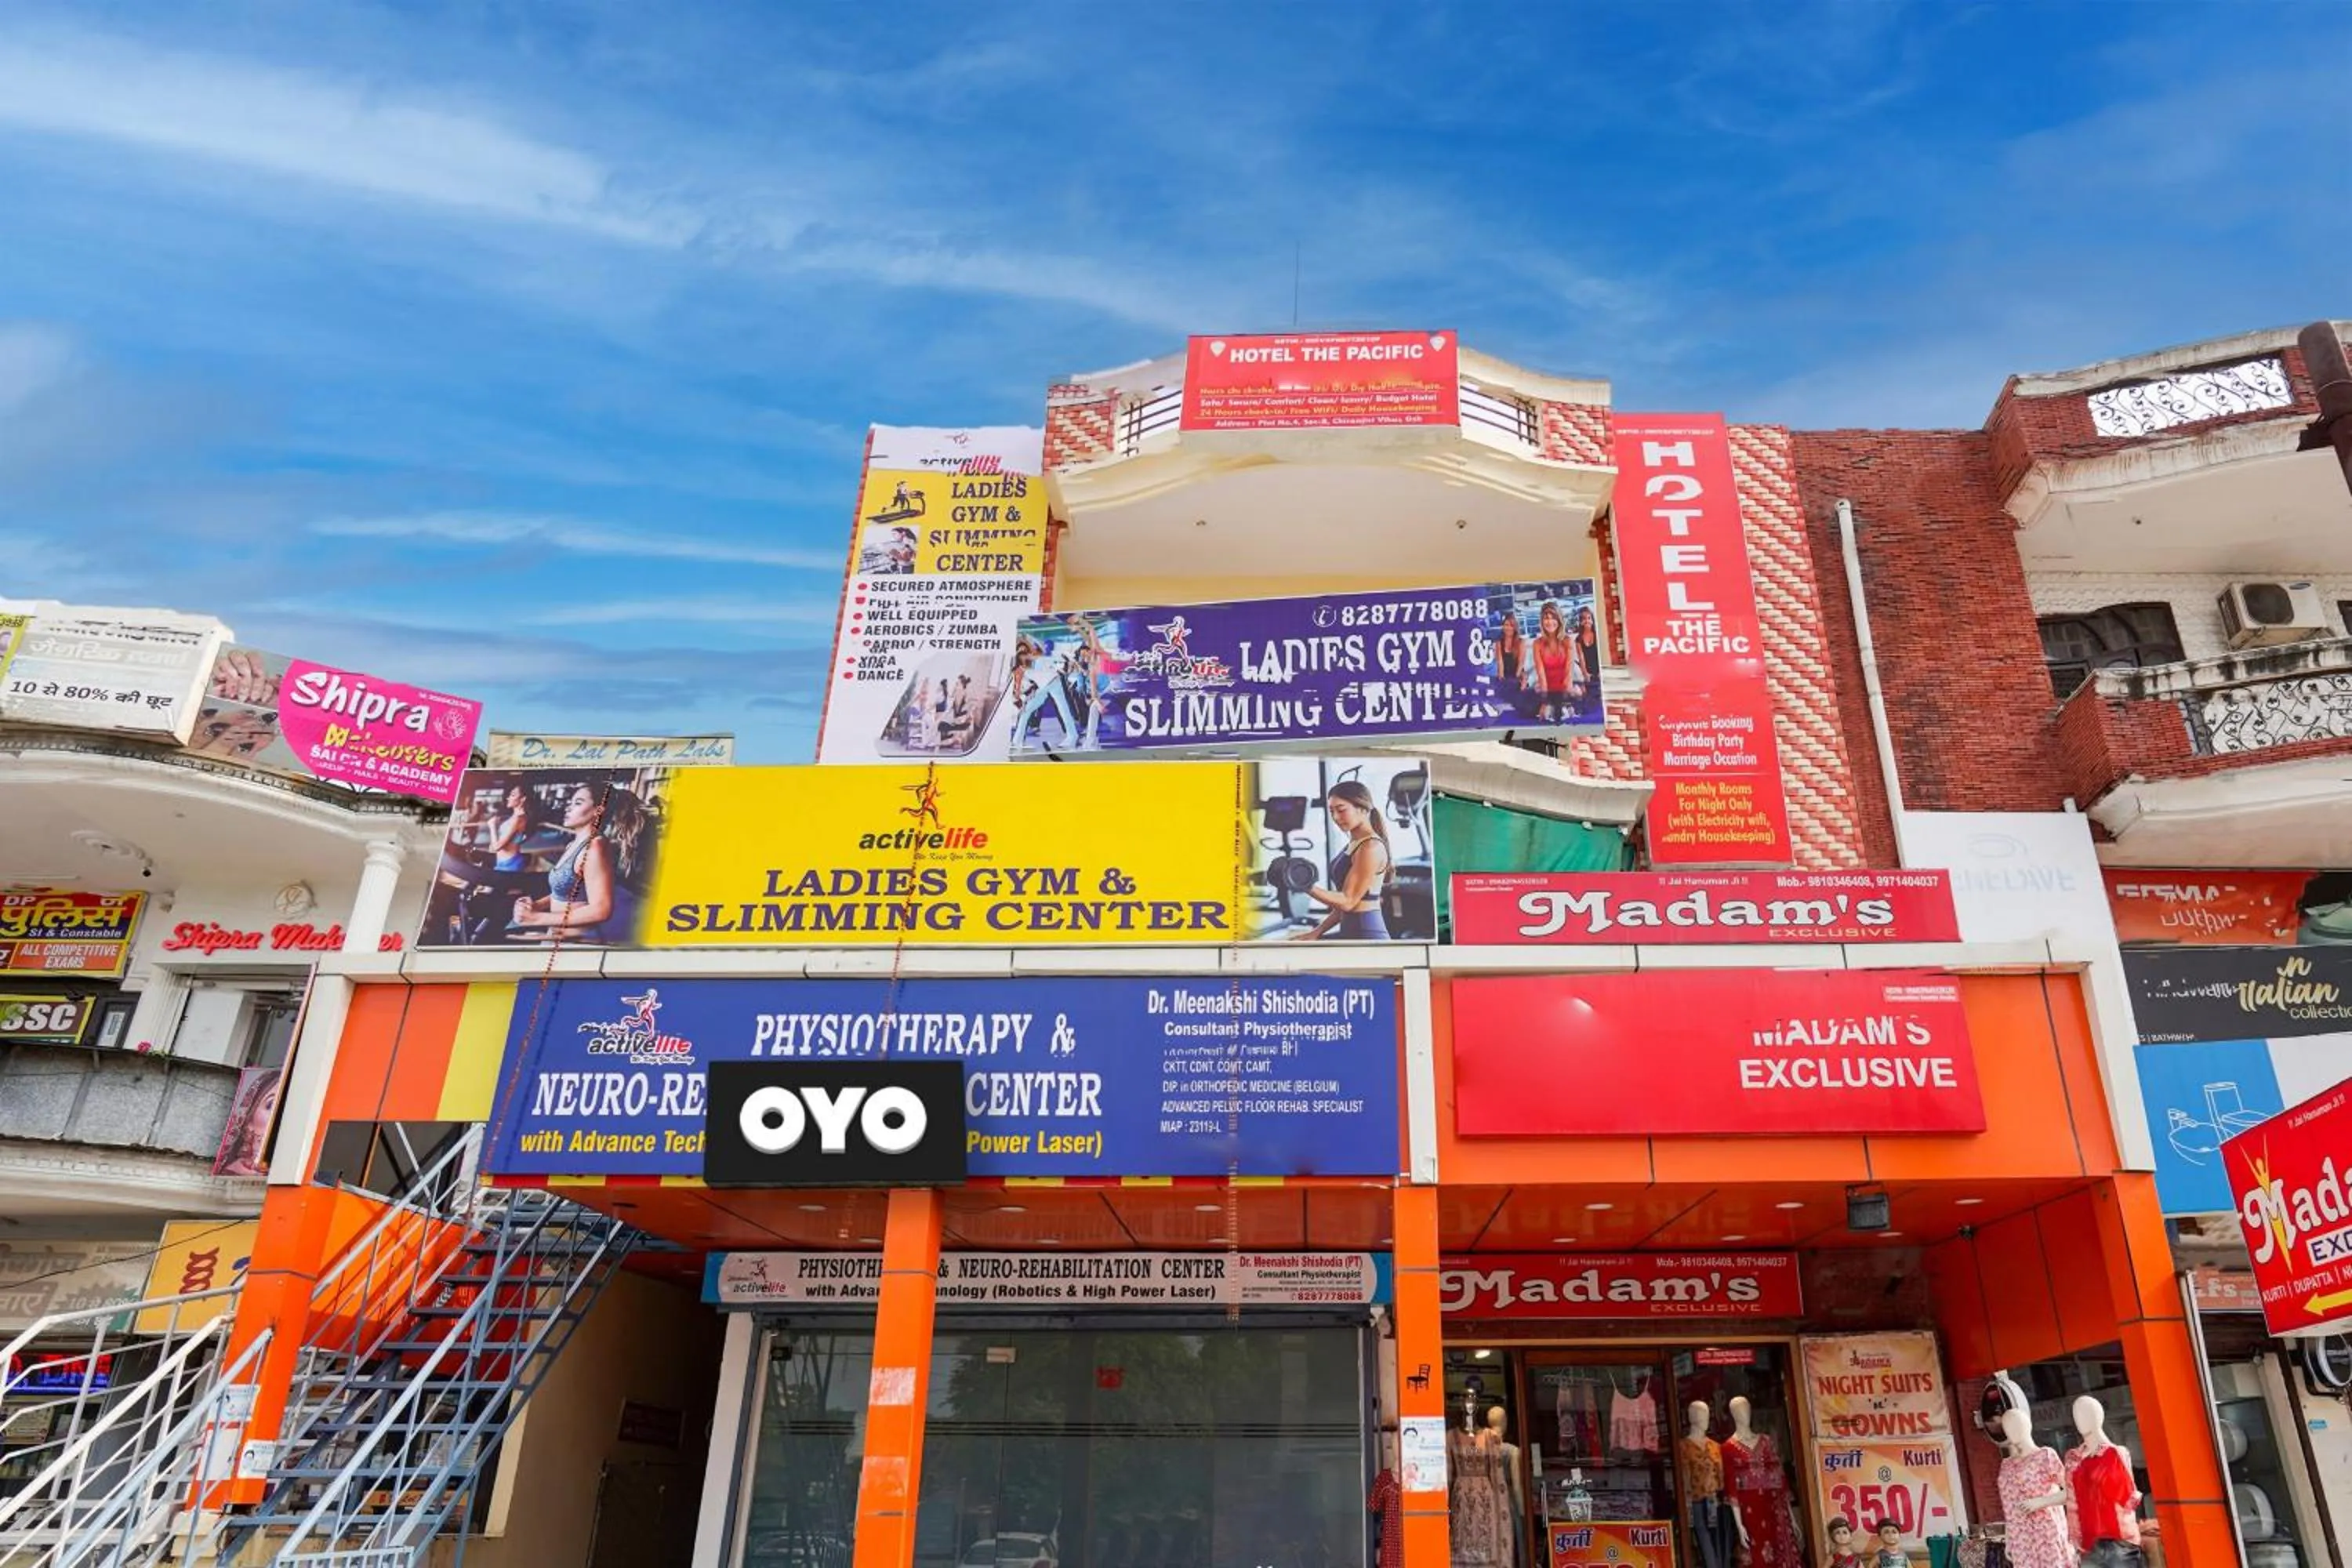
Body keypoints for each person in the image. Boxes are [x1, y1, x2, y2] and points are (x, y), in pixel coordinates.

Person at [512, 783, 648, 943]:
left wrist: (537, 918)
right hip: (554, 935)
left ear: (598, 811)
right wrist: (537, 905)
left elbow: (601, 910)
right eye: (570, 802)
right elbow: (568, 890)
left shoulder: (595, 847)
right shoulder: (573, 844)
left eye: (578, 803)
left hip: (575, 943)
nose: (568, 808)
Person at [1294, 781, 1392, 940]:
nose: (1335, 817)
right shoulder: (1355, 844)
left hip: (1367, 932)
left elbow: (1348, 901)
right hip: (1351, 929)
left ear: (1363, 808)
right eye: (1331, 811)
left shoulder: (1370, 847)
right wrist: (1316, 932)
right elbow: (1343, 907)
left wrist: (1305, 885)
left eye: (1341, 810)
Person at [1524, 600, 1584, 722]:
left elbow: (1568, 675)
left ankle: (1566, 706)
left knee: (1577, 696)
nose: (1550, 622)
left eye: (1553, 618)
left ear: (1559, 620)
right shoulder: (1537, 644)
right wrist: (1545, 701)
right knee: (1533, 708)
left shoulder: (1568, 641)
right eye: (1546, 618)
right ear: (1542, 621)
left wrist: (1565, 701)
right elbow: (1541, 675)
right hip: (1546, 687)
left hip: (1565, 687)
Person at [488, 785, 541, 873]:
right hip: (502, 862)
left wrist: (492, 826)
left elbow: (496, 847)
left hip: (510, 864)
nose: (508, 798)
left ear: (523, 799)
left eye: (512, 795)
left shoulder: (519, 819)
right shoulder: (514, 817)